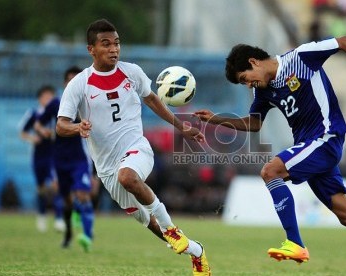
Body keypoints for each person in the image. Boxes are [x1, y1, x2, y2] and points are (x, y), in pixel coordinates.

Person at [194, 36, 346, 275]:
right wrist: (215, 119)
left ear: (254, 62)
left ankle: (295, 243)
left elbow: (344, 41)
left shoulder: (301, 57)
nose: (249, 85)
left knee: (270, 171)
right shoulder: (263, 92)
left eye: (245, 79)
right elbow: (254, 124)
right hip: (311, 148)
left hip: (327, 137)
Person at [56, 19, 210, 276]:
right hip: (106, 168)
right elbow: (61, 125)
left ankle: (172, 228)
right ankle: (196, 251)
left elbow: (153, 100)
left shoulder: (132, 72)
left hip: (136, 147)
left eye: (117, 43)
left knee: (128, 176)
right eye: (106, 44)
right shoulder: (79, 85)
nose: (114, 49)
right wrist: (76, 127)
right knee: (149, 223)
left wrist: (181, 126)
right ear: (91, 49)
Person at [35, 67, 95, 251]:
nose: (72, 83)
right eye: (69, 80)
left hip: (79, 158)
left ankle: (87, 236)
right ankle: (69, 232)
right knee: (67, 200)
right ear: (64, 83)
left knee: (83, 194)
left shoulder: (87, 102)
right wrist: (42, 130)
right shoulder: (55, 103)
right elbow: (38, 122)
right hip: (59, 159)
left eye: (76, 79)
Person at [19, 85, 65, 232]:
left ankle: (59, 218)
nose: (48, 99)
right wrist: (34, 138)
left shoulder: (58, 114)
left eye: (50, 96)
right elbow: (22, 132)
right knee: (41, 189)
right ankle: (42, 216)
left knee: (56, 185)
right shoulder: (33, 114)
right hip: (38, 156)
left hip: (54, 155)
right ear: (39, 99)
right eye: (45, 96)